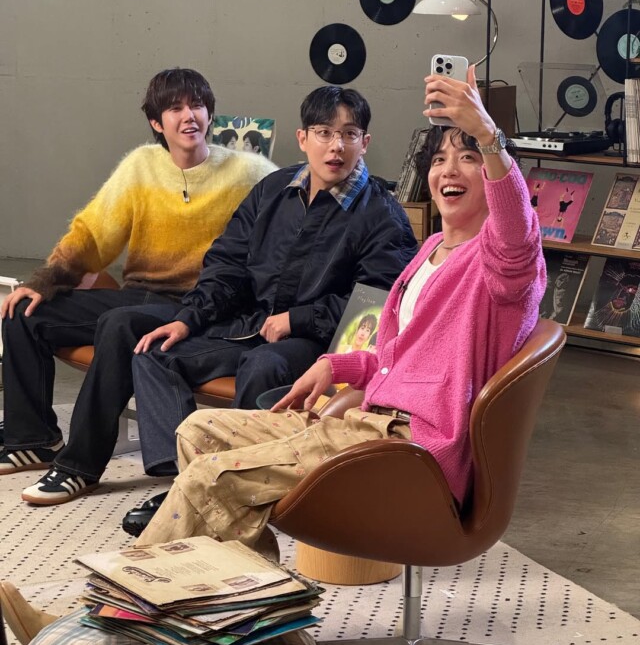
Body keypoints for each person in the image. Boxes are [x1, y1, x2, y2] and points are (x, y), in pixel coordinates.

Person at [126, 65, 545, 545]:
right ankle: (247, 585)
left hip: (407, 446)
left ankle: (138, 589)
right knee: (197, 430)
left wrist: (487, 135)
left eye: (468, 157)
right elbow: (400, 356)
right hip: (366, 419)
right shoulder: (430, 251)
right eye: (439, 159)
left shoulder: (501, 264)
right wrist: (338, 365)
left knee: (211, 476)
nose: (448, 170)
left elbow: (516, 229)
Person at [0, 68, 276, 503]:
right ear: (156, 122)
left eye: (197, 105)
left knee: (119, 323)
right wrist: (45, 280)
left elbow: (294, 216)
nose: (189, 116)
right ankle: (33, 438)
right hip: (140, 295)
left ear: (210, 113)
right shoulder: (141, 166)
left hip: (199, 306)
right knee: (23, 312)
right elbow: (93, 234)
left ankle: (79, 467)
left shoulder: (250, 172)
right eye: (175, 108)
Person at [124, 85, 417, 492]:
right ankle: (184, 479)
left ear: (364, 143)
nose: (336, 146)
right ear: (303, 138)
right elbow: (227, 263)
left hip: (319, 344)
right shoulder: (273, 189)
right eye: (324, 133)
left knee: (263, 365)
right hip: (255, 325)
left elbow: (374, 306)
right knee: (156, 354)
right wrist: (188, 318)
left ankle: (240, 481)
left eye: (349, 134)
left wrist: (297, 319)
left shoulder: (382, 214)